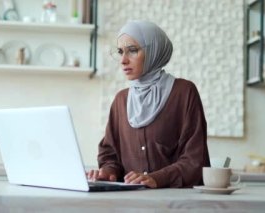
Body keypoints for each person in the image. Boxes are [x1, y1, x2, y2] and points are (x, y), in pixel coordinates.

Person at [87, 20, 210, 188]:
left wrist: (158, 178)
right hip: (130, 203)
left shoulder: (183, 92)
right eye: (120, 52)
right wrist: (108, 172)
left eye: (132, 51)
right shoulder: (121, 100)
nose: (123, 60)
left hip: (176, 203)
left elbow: (195, 160)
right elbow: (111, 155)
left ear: (154, 51)